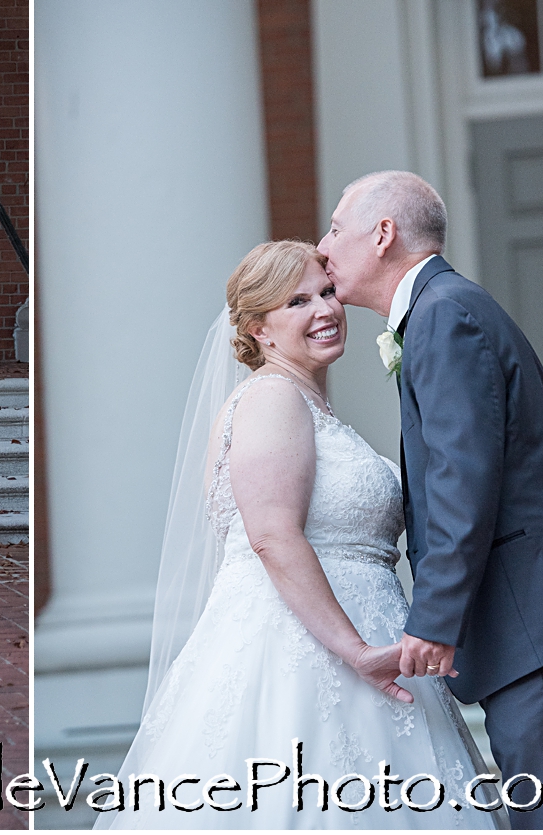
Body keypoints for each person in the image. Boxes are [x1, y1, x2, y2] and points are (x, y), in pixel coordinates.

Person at [104, 241, 496, 829]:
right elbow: (271, 536)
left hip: (362, 632)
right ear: (259, 329)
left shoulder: (309, 405)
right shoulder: (273, 398)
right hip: (308, 651)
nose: (325, 310)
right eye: (297, 302)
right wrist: (358, 652)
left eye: (327, 292)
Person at [318, 171, 543, 829]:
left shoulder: (443, 317)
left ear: (383, 235)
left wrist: (434, 619)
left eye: (334, 230)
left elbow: (462, 482)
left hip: (540, 625)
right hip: (534, 629)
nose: (324, 249)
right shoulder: (447, 310)